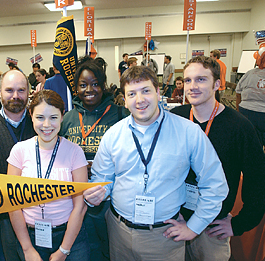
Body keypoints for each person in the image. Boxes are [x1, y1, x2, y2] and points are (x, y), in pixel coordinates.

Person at [83, 66, 228, 261]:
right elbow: (103, 178)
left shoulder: (188, 132)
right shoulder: (113, 135)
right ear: (124, 101)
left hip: (165, 237)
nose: (140, 100)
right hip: (119, 233)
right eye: (132, 94)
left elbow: (215, 185)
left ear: (158, 92)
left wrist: (194, 227)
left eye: (146, 91)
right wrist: (97, 192)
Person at [171, 55, 265, 261]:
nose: (192, 86)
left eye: (201, 79)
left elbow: (258, 178)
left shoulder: (239, 126)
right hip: (176, 220)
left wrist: (239, 223)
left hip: (211, 227)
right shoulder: (176, 118)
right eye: (188, 80)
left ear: (217, 84)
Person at [60, 57, 129, 261]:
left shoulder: (120, 115)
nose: (89, 89)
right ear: (76, 88)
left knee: (108, 250)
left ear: (103, 85)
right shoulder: (68, 118)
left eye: (95, 84)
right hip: (76, 198)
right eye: (83, 85)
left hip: (110, 200)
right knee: (83, 249)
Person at [8, 90, 90, 261]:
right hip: (30, 237)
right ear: (30, 115)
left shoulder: (75, 152)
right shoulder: (19, 151)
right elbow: (13, 204)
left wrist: (64, 250)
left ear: (62, 117)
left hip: (70, 237)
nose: (46, 125)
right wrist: (27, 248)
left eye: (53, 117)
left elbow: (79, 206)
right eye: (40, 117)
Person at [0, 69, 36, 261]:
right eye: (9, 90)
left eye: (21, 90)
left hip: (40, 210)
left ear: (29, 92)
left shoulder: (39, 124)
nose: (16, 96)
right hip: (7, 217)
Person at [236, 48, 265, 160]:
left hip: (247, 113)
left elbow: (238, 93)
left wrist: (238, 113)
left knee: (252, 147)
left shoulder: (250, 73)